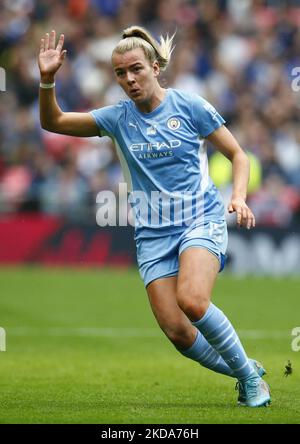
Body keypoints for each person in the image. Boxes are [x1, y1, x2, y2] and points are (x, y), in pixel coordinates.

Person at [38, 27, 271, 408]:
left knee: (193, 301)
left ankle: (249, 380)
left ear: (156, 67)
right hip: (152, 235)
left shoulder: (189, 106)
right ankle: (244, 366)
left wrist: (240, 197)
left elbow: (239, 155)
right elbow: (54, 123)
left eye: (136, 69)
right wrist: (48, 81)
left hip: (200, 219)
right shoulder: (116, 118)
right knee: (178, 332)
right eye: (120, 73)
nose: (129, 79)